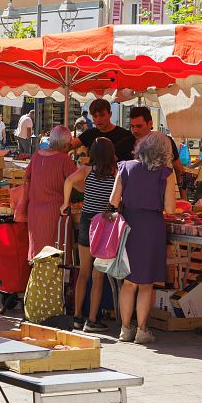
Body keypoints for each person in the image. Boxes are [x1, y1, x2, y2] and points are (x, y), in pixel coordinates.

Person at [110, 131, 178, 344]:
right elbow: (170, 208)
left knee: (128, 282)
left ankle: (124, 329)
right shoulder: (166, 173)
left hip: (128, 225)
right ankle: (142, 330)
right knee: (146, 283)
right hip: (152, 227)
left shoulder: (125, 167)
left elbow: (113, 200)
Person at [61, 137, 116, 333]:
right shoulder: (114, 174)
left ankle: (77, 316)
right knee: (97, 275)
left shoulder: (86, 171)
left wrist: (66, 203)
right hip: (104, 224)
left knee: (83, 273)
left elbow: (68, 181)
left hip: (86, 222)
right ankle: (92, 320)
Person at [24, 125, 77, 260]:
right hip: (55, 213)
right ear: (66, 145)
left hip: (35, 210)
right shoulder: (64, 160)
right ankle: (54, 281)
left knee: (38, 252)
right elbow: (79, 184)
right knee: (55, 254)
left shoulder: (36, 155)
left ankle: (39, 280)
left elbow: (26, 178)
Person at [129, 106, 188, 197]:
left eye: (139, 126)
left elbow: (180, 171)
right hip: (134, 200)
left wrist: (184, 198)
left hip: (162, 200)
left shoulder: (165, 142)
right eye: (132, 126)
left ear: (150, 124)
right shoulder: (127, 142)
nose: (135, 130)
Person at [71, 98, 136, 162]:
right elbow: (67, 146)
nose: (98, 119)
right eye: (95, 116)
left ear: (110, 114)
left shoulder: (125, 135)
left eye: (102, 115)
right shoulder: (90, 134)